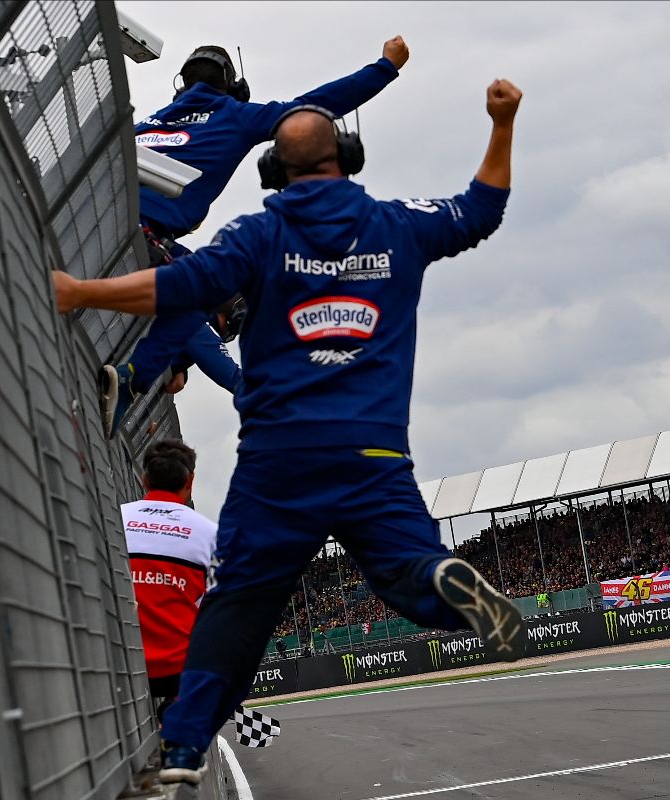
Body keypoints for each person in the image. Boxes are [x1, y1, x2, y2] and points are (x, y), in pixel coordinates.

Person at [54, 76, 526, 785]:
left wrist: (83, 292)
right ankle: (439, 577)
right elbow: (481, 209)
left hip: (279, 459)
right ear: (348, 156)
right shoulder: (401, 224)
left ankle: (181, 750)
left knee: (239, 607)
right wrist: (502, 121)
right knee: (406, 574)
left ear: (275, 171)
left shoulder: (258, 233)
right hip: (374, 454)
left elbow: (180, 289)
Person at [102, 37, 411, 438]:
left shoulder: (149, 124)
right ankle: (133, 379)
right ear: (231, 86)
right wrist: (386, 67)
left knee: (202, 277)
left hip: (105, 223)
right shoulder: (235, 115)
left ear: (183, 84)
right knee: (203, 287)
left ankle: (155, 368)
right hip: (142, 235)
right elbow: (316, 106)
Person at [121, 439, 217, 724]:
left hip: (122, 664)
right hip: (178, 671)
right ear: (191, 481)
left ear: (144, 478)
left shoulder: (116, 517)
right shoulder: (209, 534)